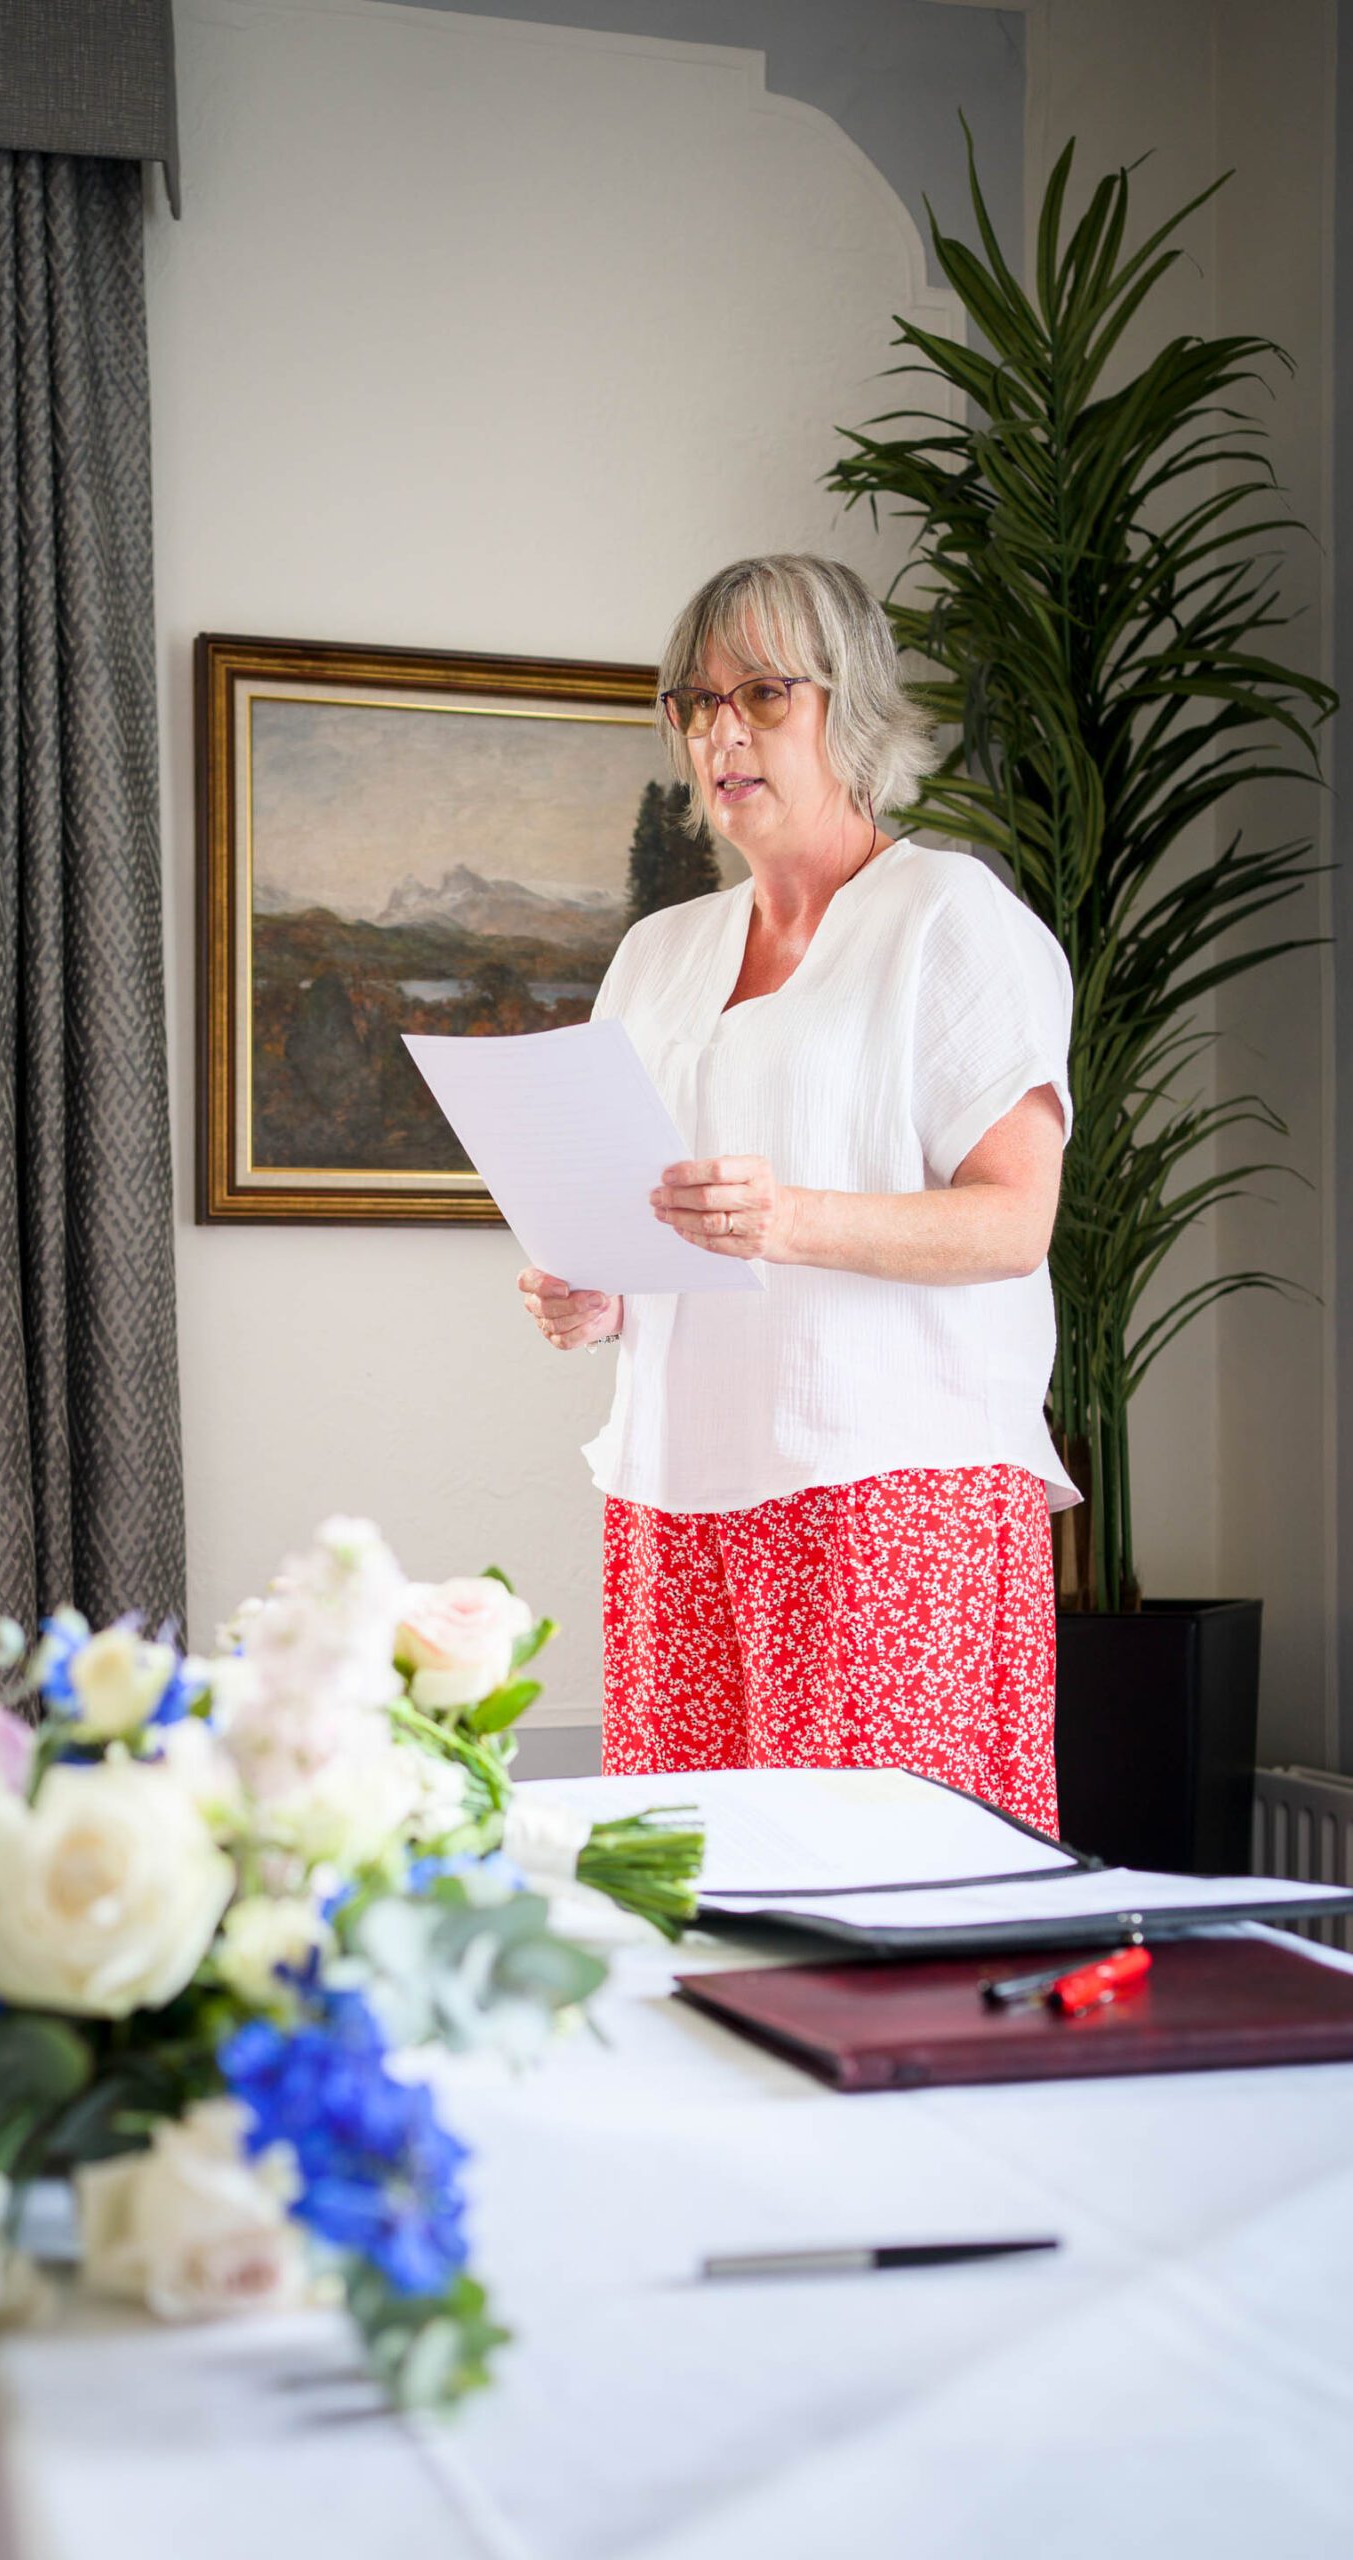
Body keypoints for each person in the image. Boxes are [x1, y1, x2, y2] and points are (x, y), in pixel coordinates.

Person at [518, 554, 1076, 1832]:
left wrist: (791, 1218)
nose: (721, 730)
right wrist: (590, 1291)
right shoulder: (657, 955)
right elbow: (637, 1237)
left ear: (853, 707)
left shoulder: (949, 916)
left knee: (886, 1908)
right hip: (675, 1498)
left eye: (762, 693)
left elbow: (1013, 1221)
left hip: (891, 1494)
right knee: (696, 1911)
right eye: (692, 703)